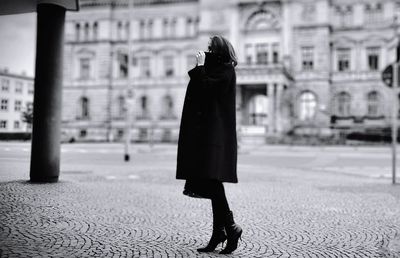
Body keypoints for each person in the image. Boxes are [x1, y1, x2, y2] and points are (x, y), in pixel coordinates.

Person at [176, 35, 242, 254]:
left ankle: (230, 228)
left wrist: (200, 68)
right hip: (204, 135)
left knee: (213, 183)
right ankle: (220, 232)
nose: (207, 51)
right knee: (213, 183)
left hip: (215, 137)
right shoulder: (215, 70)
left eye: (211, 48)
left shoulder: (225, 70)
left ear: (220, 50)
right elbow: (199, 94)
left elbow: (207, 90)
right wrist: (200, 69)